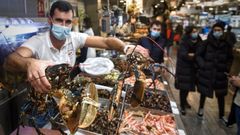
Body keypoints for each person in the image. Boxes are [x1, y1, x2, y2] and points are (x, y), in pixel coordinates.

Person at [3, 0, 149, 93]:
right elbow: (10, 60)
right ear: (50, 21)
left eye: (68, 22)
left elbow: (106, 42)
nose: (64, 26)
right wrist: (30, 63)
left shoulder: (74, 37)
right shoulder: (38, 41)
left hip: (67, 93)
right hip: (43, 98)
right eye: (59, 21)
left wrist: (125, 48)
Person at [196, 22, 233, 121]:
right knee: (203, 92)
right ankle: (201, 108)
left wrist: (227, 68)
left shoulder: (227, 44)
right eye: (215, 30)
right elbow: (198, 55)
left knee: (221, 95)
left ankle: (221, 114)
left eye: (219, 30)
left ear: (222, 31)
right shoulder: (207, 42)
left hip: (220, 73)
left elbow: (230, 58)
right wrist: (203, 65)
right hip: (207, 72)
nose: (217, 32)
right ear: (212, 31)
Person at [175, 26, 202, 115]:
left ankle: (185, 102)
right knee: (183, 88)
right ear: (189, 32)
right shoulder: (184, 41)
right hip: (183, 67)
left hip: (192, 68)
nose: (195, 33)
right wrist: (193, 56)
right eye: (193, 31)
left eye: (196, 31)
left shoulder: (199, 40)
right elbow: (184, 54)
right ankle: (182, 106)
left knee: (188, 88)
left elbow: (200, 52)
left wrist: (193, 55)